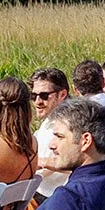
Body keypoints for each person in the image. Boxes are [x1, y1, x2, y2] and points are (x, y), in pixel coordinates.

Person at [28, 68, 71, 196]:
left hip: (53, 196)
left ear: (62, 94)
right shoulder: (50, 119)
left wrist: (42, 163)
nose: (37, 102)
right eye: (33, 96)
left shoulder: (72, 122)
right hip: (38, 192)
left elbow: (81, 164)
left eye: (44, 96)